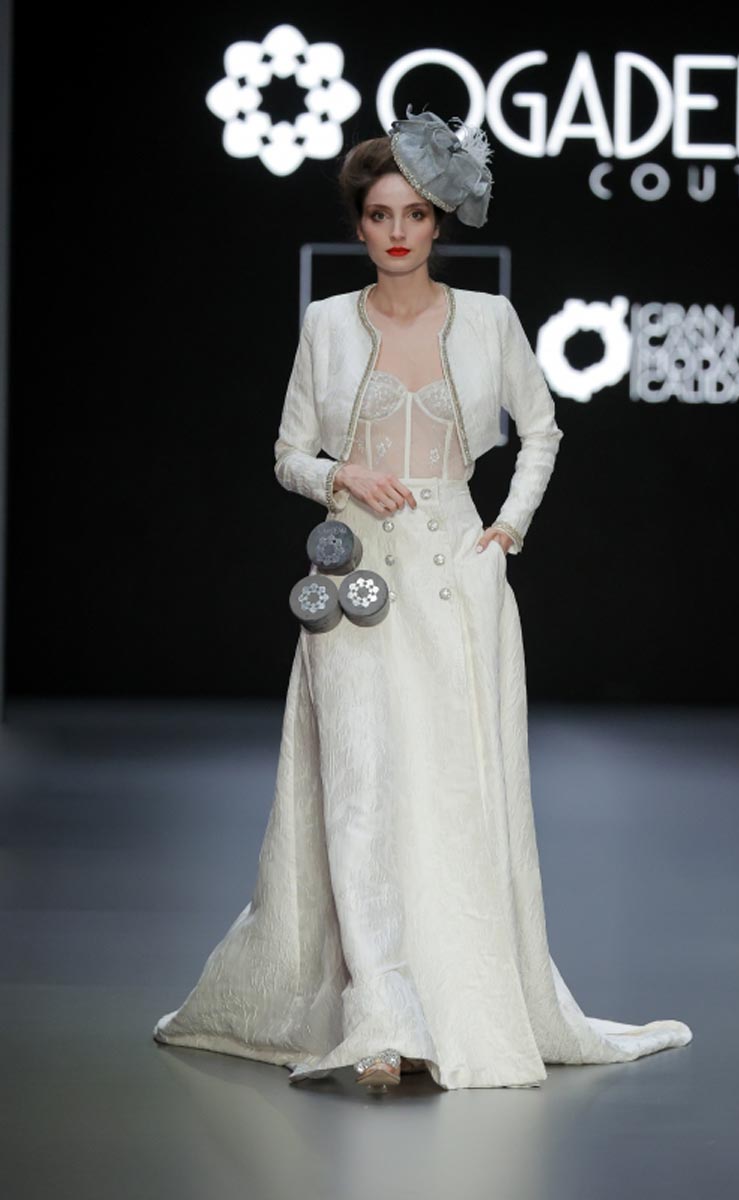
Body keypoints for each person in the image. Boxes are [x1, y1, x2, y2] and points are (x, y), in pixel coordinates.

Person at [153, 106, 693, 1091]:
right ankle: (380, 1018)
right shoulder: (326, 324)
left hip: (456, 575)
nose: (397, 231)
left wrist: (507, 528)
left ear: (438, 221)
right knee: (356, 790)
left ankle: (453, 998)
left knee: (451, 791)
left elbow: (542, 428)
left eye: (413, 213)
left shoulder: (488, 319)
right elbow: (286, 453)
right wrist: (340, 475)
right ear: (357, 225)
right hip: (353, 580)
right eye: (378, 215)